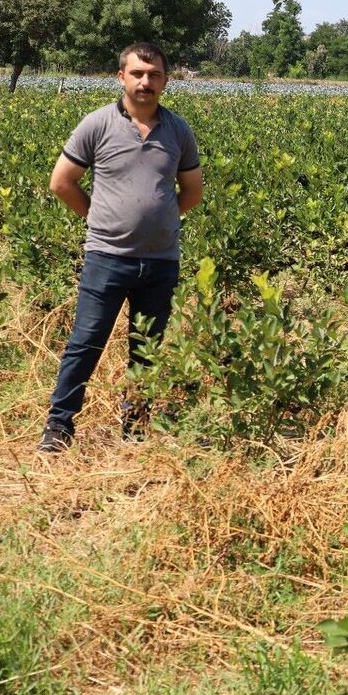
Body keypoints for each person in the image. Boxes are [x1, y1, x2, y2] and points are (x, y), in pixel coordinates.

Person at [38, 42, 203, 453]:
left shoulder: (178, 130)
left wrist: (160, 221)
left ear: (165, 80)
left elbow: (192, 192)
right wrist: (100, 220)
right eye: (137, 74)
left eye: (154, 75)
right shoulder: (97, 124)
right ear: (121, 77)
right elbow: (61, 182)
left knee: (146, 351)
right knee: (85, 343)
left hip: (161, 263)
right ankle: (59, 427)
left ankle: (135, 429)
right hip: (106, 259)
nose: (146, 82)